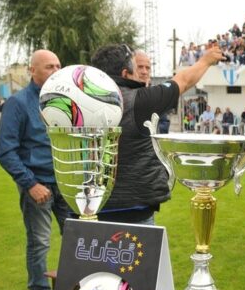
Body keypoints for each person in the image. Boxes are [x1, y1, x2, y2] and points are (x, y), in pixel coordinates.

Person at [90, 43, 222, 224]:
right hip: (135, 209)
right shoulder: (140, 100)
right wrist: (206, 60)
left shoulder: (80, 103)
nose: (142, 72)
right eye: (137, 67)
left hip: (90, 203)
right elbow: (183, 80)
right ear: (125, 73)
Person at [0, 49, 71, 290]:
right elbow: (5, 151)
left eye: (59, 65)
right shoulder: (18, 104)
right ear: (33, 70)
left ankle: (73, 289)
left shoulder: (64, 101)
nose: (56, 71)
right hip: (37, 185)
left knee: (77, 240)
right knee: (40, 243)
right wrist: (29, 183)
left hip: (66, 184)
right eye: (49, 66)